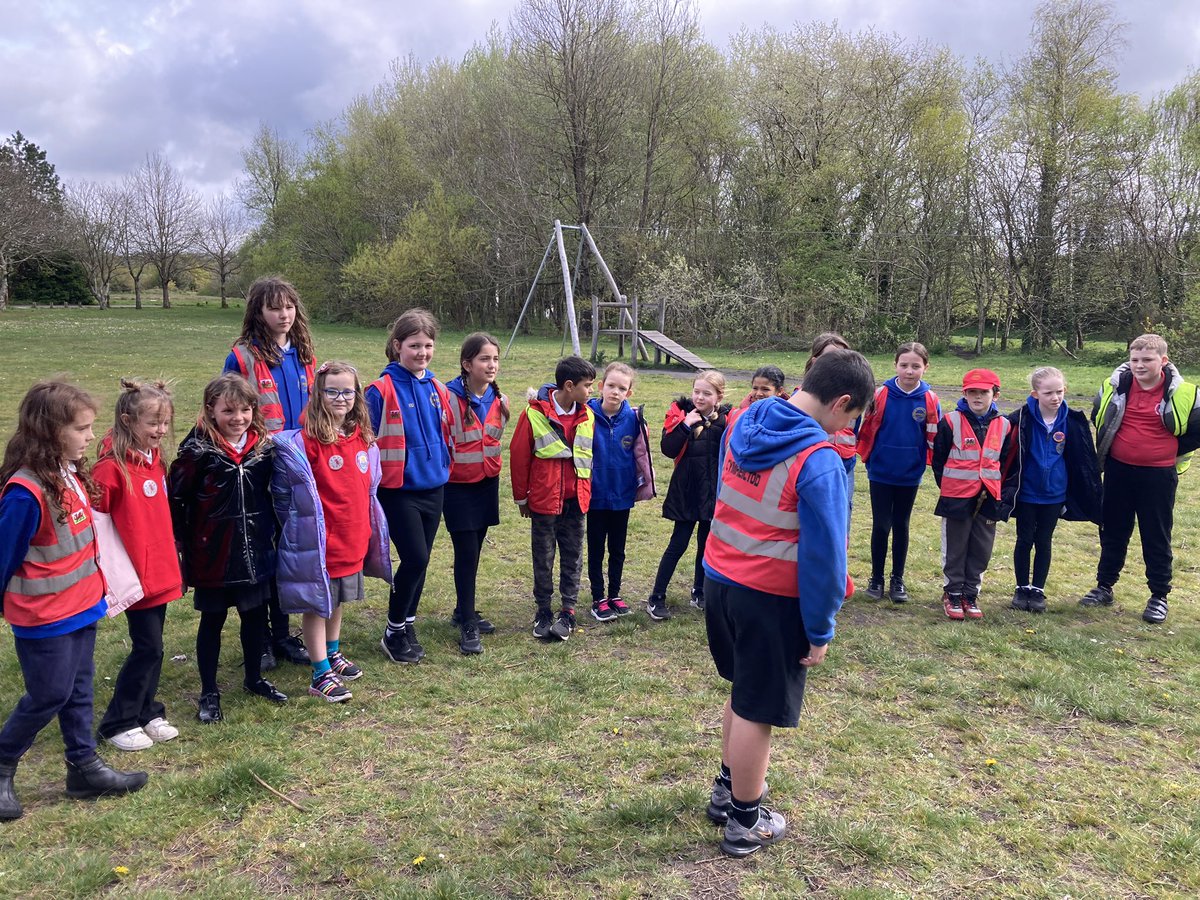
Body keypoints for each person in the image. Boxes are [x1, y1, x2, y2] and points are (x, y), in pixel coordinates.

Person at [702, 349, 874, 858]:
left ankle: (727, 789)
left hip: (720, 578)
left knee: (742, 688)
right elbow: (825, 557)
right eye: (853, 417)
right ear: (842, 402)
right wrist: (821, 629)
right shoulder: (819, 460)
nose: (849, 428)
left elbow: (723, 491)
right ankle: (745, 821)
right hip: (770, 598)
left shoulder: (746, 418)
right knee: (759, 708)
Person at [0, 381, 147, 820]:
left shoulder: (68, 472)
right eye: (81, 429)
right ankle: (3, 761)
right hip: (43, 618)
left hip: (82, 606)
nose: (89, 436)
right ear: (49, 431)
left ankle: (83, 768)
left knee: (80, 690)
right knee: (49, 694)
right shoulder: (25, 494)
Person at [169, 374, 286, 723]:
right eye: (229, 410)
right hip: (212, 555)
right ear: (210, 411)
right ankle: (209, 690)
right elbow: (177, 499)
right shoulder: (196, 452)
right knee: (213, 622)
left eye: (246, 410)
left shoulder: (264, 448)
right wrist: (182, 545)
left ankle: (254, 678)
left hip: (254, 551)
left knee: (254, 619)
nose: (238, 418)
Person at [272, 362, 392, 701]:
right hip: (321, 541)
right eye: (332, 391)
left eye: (348, 392)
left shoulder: (362, 439)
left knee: (337, 600)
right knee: (317, 605)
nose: (341, 398)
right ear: (318, 394)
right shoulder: (308, 443)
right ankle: (319, 671)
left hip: (352, 537)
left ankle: (332, 651)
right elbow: (288, 498)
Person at [224, 276, 316, 670]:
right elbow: (230, 410)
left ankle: (283, 634)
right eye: (274, 307)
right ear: (258, 312)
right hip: (261, 462)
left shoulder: (305, 353)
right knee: (263, 549)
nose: (284, 314)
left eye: (289, 306)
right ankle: (259, 639)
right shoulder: (242, 357)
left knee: (289, 548)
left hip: (300, 462)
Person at [1080, 334, 1200, 624]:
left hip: (1158, 475)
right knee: (1113, 531)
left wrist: (1169, 450)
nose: (1139, 365)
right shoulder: (1114, 386)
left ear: (1163, 361)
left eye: (1147, 359)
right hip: (1119, 471)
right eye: (1135, 359)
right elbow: (1099, 417)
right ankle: (1104, 586)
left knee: (1155, 535)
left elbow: (1197, 430)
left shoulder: (1185, 392)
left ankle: (1159, 595)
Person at [93, 379, 184, 751]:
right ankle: (118, 721)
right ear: (128, 421)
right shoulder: (109, 470)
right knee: (147, 647)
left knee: (156, 645)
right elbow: (98, 530)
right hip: (133, 575)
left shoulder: (156, 460)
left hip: (159, 571)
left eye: (165, 423)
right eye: (153, 424)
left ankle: (148, 711)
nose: (160, 431)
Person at [367, 309, 453, 663]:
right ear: (397, 345)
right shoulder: (379, 390)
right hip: (398, 489)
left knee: (422, 560)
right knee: (414, 558)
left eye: (428, 345)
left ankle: (407, 623)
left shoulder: (436, 387)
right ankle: (392, 631)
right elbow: (367, 440)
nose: (422, 352)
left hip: (434, 487)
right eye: (415, 345)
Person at [510, 355, 596, 642]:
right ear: (569, 386)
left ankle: (568, 611)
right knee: (543, 558)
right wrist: (522, 499)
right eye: (588, 385)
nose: (591, 391)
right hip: (545, 503)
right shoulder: (533, 415)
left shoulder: (588, 415)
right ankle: (544, 611)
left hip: (576, 502)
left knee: (573, 557)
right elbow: (519, 458)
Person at [1005, 367, 1102, 613]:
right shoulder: (1020, 419)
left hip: (1054, 494)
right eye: (1048, 392)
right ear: (1035, 393)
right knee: (1024, 539)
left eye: (1059, 391)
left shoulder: (1072, 421)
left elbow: (1083, 461)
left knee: (1044, 540)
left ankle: (1037, 590)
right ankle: (1021, 588)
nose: (1055, 397)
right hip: (1026, 492)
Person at [856, 342, 941, 604]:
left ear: (925, 368)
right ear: (895, 365)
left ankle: (897, 579)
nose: (909, 371)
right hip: (881, 471)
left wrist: (923, 464)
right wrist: (869, 458)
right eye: (904, 365)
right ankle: (876, 578)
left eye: (916, 366)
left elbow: (933, 437)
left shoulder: (929, 399)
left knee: (902, 525)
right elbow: (866, 428)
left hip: (909, 473)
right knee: (881, 525)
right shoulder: (879, 394)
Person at [443, 334, 510, 654]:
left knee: (475, 551)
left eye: (495, 359)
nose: (491, 365)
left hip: (486, 483)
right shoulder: (446, 397)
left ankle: (462, 610)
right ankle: (467, 622)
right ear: (467, 365)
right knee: (466, 553)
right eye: (485, 359)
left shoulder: (500, 400)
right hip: (456, 487)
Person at [931, 368, 1016, 621]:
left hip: (989, 496)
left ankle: (971, 593)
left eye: (984, 392)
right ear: (964, 394)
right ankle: (953, 592)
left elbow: (1004, 461)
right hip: (956, 496)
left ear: (995, 395)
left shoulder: (1005, 425)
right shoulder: (950, 421)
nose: (977, 397)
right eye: (972, 392)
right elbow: (939, 460)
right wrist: (949, 487)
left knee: (981, 547)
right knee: (955, 546)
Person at [647, 370, 731, 619]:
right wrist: (685, 425)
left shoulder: (725, 422)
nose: (700, 397)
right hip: (685, 491)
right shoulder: (680, 414)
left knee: (706, 546)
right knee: (678, 544)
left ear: (718, 396)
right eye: (697, 391)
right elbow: (668, 450)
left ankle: (700, 591)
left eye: (707, 393)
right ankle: (657, 596)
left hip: (712, 493)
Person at [586, 362, 655, 622]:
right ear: (601, 386)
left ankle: (614, 594)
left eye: (622, 388)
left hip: (622, 494)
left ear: (629, 393)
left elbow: (640, 454)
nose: (615, 392)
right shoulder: (587, 414)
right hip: (594, 494)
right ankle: (597, 597)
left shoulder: (634, 419)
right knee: (596, 547)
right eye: (611, 386)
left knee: (618, 548)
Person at [803, 333, 856, 526]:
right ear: (816, 361)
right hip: (814, 466)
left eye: (844, 357)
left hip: (845, 463)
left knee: (842, 516)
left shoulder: (854, 395)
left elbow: (858, 429)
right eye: (831, 357)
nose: (838, 364)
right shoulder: (804, 396)